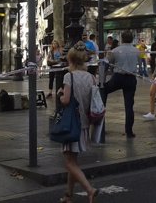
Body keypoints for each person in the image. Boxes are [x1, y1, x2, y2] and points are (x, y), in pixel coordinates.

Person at [57, 41, 99, 203]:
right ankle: (68, 195)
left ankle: (90, 189)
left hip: (71, 124)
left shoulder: (69, 76)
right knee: (72, 160)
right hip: (85, 123)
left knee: (68, 162)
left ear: (71, 61)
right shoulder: (91, 78)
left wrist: (61, 94)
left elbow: (66, 100)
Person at [104, 31, 139, 138]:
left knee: (103, 90)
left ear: (122, 39)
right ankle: (129, 131)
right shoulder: (136, 51)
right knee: (129, 105)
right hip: (131, 78)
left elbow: (107, 63)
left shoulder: (115, 50)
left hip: (118, 77)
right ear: (132, 39)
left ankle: (101, 121)